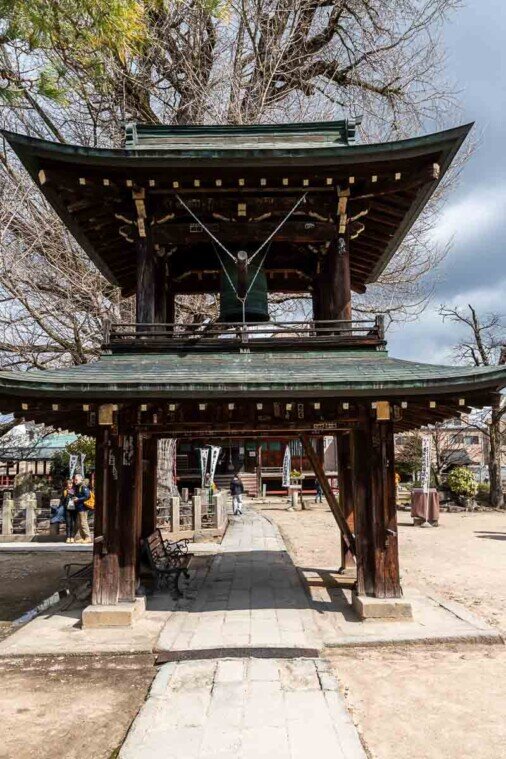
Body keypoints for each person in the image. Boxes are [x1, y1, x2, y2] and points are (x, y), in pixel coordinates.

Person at [73, 473, 92, 543]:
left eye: (76, 480)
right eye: (74, 480)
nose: (75, 481)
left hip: (83, 508)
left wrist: (78, 499)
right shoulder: (77, 487)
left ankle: (88, 537)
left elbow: (87, 496)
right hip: (79, 508)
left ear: (81, 479)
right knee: (79, 523)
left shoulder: (83, 486)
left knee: (83, 523)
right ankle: (83, 537)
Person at [61, 478, 76, 543]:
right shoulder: (65, 491)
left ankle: (72, 537)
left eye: (71, 484)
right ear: (66, 485)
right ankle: (68, 537)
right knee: (68, 523)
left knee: (72, 523)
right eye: (68, 484)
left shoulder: (74, 491)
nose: (69, 485)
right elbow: (62, 500)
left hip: (73, 509)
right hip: (67, 509)